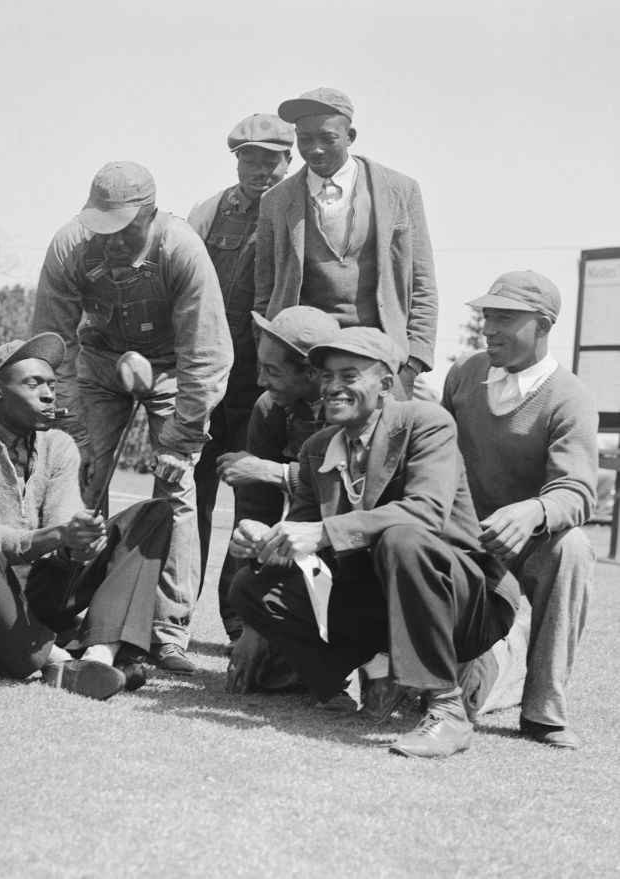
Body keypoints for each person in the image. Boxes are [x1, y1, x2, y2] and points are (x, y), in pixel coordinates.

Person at [228, 327, 518, 758]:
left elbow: (426, 512)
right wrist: (262, 542)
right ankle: (356, 683)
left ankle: (447, 708)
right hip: (377, 602)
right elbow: (306, 541)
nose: (332, 387)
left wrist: (325, 531)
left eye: (349, 375)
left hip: (462, 605)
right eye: (326, 376)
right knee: (252, 585)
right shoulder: (317, 448)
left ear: (385, 386)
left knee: (403, 538)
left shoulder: (426, 422)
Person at [31, 161, 232, 674]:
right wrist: (69, 426)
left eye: (125, 230)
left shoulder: (181, 248)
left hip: (171, 370)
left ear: (150, 213)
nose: (113, 242)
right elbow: (51, 347)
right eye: (103, 230)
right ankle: (75, 611)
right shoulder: (68, 245)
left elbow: (205, 355)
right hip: (96, 366)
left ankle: (168, 631)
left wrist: (181, 440)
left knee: (175, 490)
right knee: (78, 478)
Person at [0, 333, 174, 700]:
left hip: (39, 593)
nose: (48, 393)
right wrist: (57, 537)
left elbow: (65, 529)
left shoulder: (59, 445)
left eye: (52, 385)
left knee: (154, 515)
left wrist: (79, 544)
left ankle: (98, 655)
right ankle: (53, 659)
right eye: (33, 383)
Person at [443, 271, 596, 749]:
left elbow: (577, 490)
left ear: (544, 325)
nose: (489, 327)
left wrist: (532, 512)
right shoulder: (464, 375)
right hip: (461, 537)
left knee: (571, 549)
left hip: (527, 543)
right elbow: (435, 455)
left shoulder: (569, 397)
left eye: (504, 317)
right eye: (486, 315)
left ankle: (543, 712)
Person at [254, 88, 437, 399]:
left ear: (350, 135)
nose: (315, 149)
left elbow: (422, 285)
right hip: (305, 369)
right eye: (305, 138)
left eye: (328, 138)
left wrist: (413, 364)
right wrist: (273, 366)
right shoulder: (275, 201)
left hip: (381, 362)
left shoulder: (399, 190)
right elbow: (264, 293)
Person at [187, 113, 295, 615]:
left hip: (261, 383)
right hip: (206, 379)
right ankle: (174, 619)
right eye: (250, 158)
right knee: (189, 497)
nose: (260, 169)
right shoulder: (209, 213)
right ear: (237, 161)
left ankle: (240, 620)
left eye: (270, 160)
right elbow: (182, 289)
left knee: (253, 500)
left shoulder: (298, 213)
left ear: (287, 161)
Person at [218, 306, 339, 675]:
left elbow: (352, 495)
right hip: (307, 556)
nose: (260, 380)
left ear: (313, 372)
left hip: (361, 560)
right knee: (269, 676)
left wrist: (274, 472)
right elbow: (255, 512)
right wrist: (250, 625)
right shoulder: (271, 408)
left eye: (272, 371)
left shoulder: (366, 406)